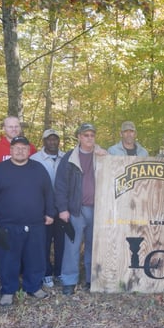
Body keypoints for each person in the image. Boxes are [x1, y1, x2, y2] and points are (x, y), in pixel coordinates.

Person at [0, 136, 55, 306]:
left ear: (29, 150)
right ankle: (8, 290)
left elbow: (49, 194)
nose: (20, 150)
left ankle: (34, 287)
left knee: (35, 258)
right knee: (8, 259)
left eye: (24, 147)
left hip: (35, 224)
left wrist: (50, 213)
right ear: (11, 150)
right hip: (7, 225)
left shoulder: (38, 169)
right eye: (16, 147)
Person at [0, 116, 37, 284]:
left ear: (20, 128)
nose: (13, 129)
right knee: (1, 240)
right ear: (4, 128)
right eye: (10, 126)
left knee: (23, 241)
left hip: (25, 206)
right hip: (2, 206)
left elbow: (35, 171)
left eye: (16, 126)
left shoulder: (31, 148)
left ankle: (21, 271)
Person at [55, 123, 106, 295]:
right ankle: (69, 280)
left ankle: (93, 280)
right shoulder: (69, 158)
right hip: (76, 210)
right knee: (72, 246)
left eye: (92, 135)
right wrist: (62, 209)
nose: (89, 138)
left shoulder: (102, 155)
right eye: (86, 135)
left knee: (95, 246)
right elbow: (60, 185)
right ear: (79, 137)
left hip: (99, 210)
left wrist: (106, 155)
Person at [30, 129, 66, 288]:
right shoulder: (34, 159)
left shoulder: (66, 157)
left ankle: (59, 271)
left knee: (62, 242)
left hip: (62, 207)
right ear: (43, 141)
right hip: (42, 208)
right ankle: (46, 273)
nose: (52, 142)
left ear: (59, 141)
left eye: (55, 139)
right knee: (43, 242)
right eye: (49, 139)